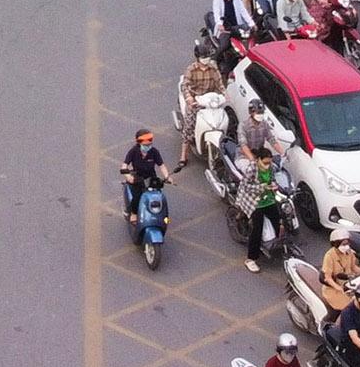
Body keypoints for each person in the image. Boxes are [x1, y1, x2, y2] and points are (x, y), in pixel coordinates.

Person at [175, 42, 226, 171]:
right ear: (198, 57)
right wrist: (189, 98)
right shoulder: (191, 69)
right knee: (189, 127)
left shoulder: (213, 67)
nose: (206, 59)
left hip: (211, 101)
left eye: (207, 56)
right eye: (204, 57)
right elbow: (185, 86)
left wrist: (225, 93)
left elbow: (219, 83)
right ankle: (183, 155)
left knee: (223, 120)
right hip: (197, 102)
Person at [237, 145, 287, 271]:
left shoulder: (271, 168)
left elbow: (272, 180)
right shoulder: (251, 169)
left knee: (278, 221)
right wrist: (263, 187)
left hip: (268, 199)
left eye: (269, 163)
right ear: (258, 160)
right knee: (257, 230)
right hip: (254, 202)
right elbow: (246, 187)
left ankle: (276, 246)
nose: (267, 165)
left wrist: (274, 186)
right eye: (265, 163)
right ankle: (251, 259)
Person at [120, 128, 170, 220]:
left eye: (149, 144)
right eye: (145, 145)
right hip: (138, 178)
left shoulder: (154, 152)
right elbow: (124, 165)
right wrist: (128, 176)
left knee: (158, 196)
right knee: (137, 196)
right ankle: (134, 213)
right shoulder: (133, 151)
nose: (148, 146)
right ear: (139, 143)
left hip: (151, 178)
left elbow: (161, 165)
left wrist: (167, 176)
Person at [321, 225, 360, 313]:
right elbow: (328, 278)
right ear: (336, 244)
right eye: (344, 244)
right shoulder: (329, 256)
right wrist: (340, 289)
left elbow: (353, 267)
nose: (346, 246)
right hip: (334, 290)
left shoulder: (349, 252)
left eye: (347, 243)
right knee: (350, 309)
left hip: (349, 285)